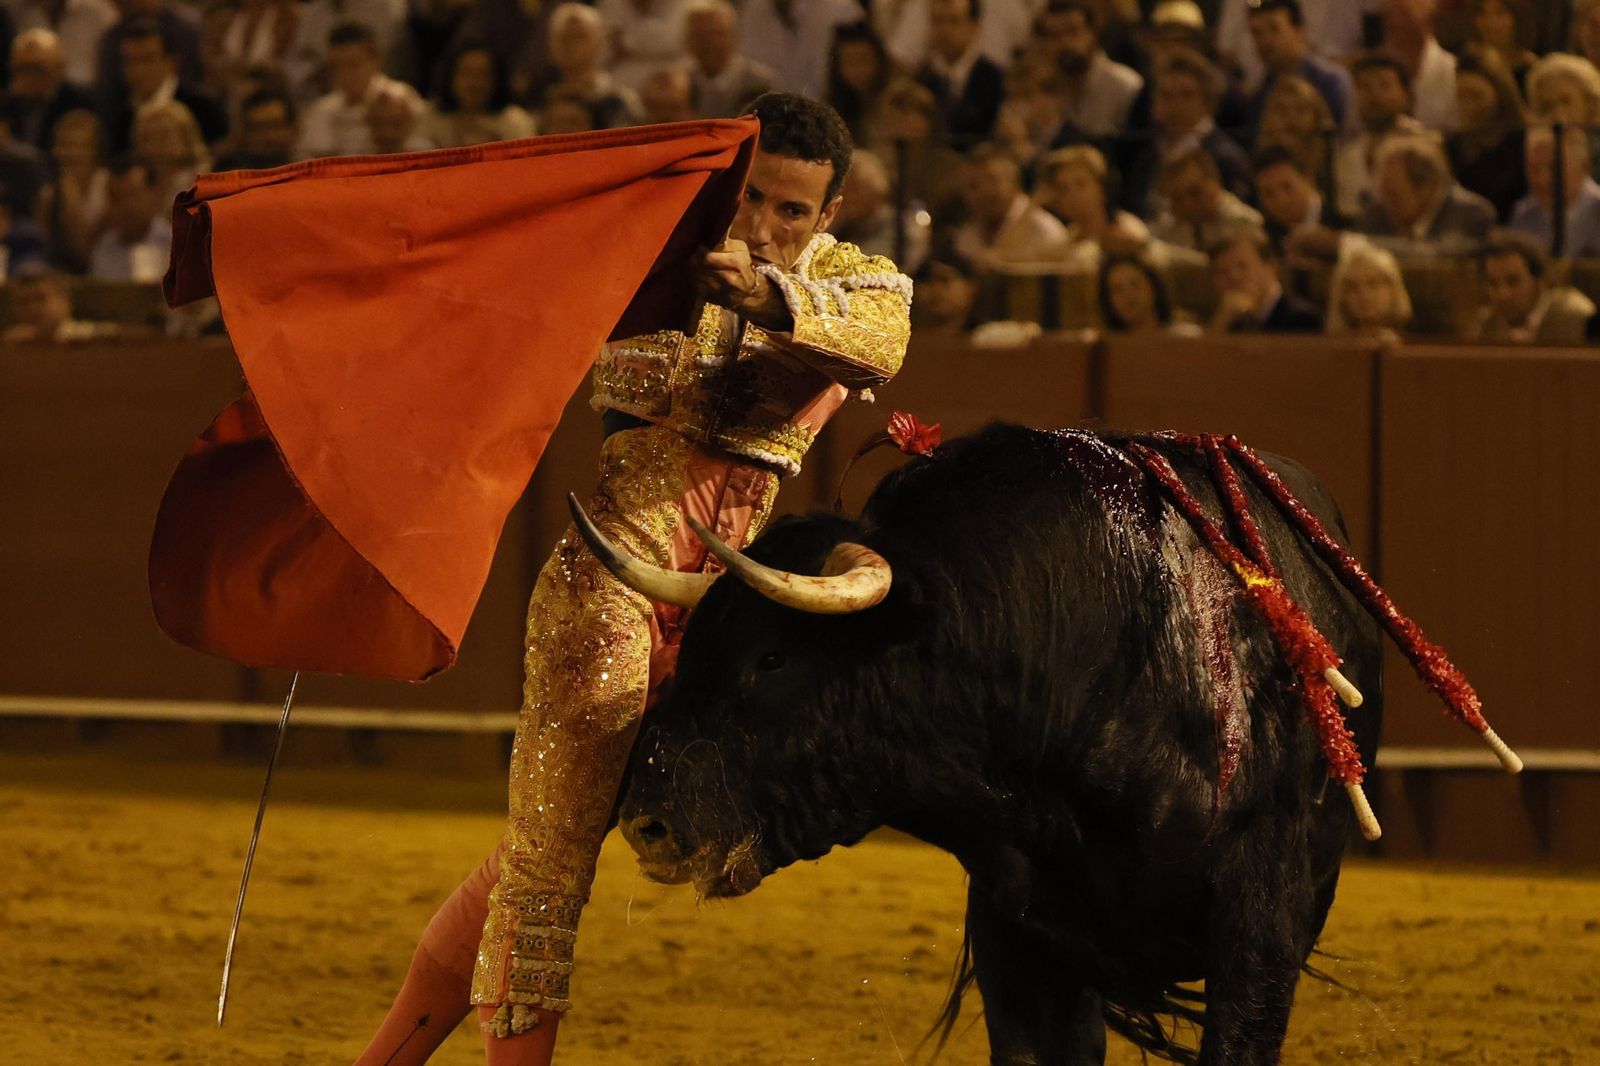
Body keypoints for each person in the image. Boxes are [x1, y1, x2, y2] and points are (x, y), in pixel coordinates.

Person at [353, 92, 912, 1066]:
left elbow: (880, 344)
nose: (765, 227)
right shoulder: (642, 248)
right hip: (607, 585)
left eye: (792, 211)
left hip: (729, 616)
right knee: (550, 864)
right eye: (751, 200)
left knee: (541, 845)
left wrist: (765, 297)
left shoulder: (855, 283)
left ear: (829, 217)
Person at [1355, 133, 1496, 256]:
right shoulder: (1375, 215)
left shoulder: (1472, 215)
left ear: (1428, 187)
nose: (1385, 204)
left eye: (1394, 196)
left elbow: (1440, 254)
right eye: (1383, 194)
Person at [1333, 52, 1434, 220]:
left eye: (1384, 85)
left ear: (1406, 95)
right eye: (1364, 87)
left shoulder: (1428, 145)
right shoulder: (1347, 154)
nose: (1374, 94)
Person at [949, 141, 1070, 269]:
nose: (984, 192)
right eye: (973, 185)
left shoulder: (1044, 231)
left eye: (992, 180)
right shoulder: (966, 236)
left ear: (1013, 180)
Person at [1242, 0, 1352, 139]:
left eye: (1274, 28)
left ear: (1299, 31)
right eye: (1256, 32)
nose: (1265, 40)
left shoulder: (1330, 82)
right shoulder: (1260, 95)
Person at [525, 3, 643, 130]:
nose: (570, 44)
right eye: (563, 37)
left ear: (600, 44)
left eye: (579, 36)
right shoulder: (535, 97)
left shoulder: (619, 102)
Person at [1036, 0, 1142, 140]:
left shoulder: (1126, 86)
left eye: (1072, 32)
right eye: (1054, 36)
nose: (1064, 43)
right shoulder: (1042, 87)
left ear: (1093, 33)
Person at [296, 21, 404, 158]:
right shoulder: (320, 111)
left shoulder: (402, 101)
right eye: (336, 66)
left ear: (376, 60)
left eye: (353, 64)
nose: (345, 74)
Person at [1447, 45, 1527, 221]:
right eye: (1461, 96)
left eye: (1476, 96)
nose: (1468, 105)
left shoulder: (1523, 142)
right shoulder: (1452, 145)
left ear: (1500, 93)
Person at [1474, 229, 1596, 343]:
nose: (1503, 294)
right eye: (1493, 283)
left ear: (1540, 281)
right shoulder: (1489, 323)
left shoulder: (1575, 319)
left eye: (1513, 282)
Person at [915, 0, 1005, 150]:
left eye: (953, 21)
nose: (944, 29)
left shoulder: (995, 79)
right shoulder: (925, 79)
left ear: (974, 27)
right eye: (937, 21)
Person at [1207, 225, 1322, 333]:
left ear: (1270, 267)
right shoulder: (1227, 317)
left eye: (1242, 266)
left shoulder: (1301, 317)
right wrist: (1221, 322)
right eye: (1221, 272)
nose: (1233, 277)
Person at [1509, 124, 1600, 259]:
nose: (1542, 179)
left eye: (1554, 168)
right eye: (1534, 169)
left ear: (1584, 167)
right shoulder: (1523, 214)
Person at [1150, 145, 1263, 254]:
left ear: (1216, 183)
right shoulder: (1171, 227)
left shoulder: (1244, 224)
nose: (1187, 205)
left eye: (1195, 193)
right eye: (1177, 199)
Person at [422, 45, 535, 149]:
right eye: (466, 73)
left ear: (497, 80)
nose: (474, 82)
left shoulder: (515, 121)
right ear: (450, 76)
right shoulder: (431, 117)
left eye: (483, 74)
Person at [4, 29, 97, 152]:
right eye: (22, 68)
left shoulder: (80, 104)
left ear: (59, 68)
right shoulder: (5, 107)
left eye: (37, 69)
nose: (29, 77)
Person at [1253, 144, 1343, 263]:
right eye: (1268, 193)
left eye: (1287, 187)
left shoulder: (1342, 215)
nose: (1281, 200)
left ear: (1309, 179)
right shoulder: (1265, 236)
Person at [684, 0, 774, 119]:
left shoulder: (759, 84)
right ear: (687, 39)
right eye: (700, 34)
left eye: (716, 33)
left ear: (734, 36)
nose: (709, 43)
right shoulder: (681, 86)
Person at [1378, 0, 1457, 132]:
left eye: (1404, 15)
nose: (1395, 22)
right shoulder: (1371, 75)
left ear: (1428, 17)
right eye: (1389, 15)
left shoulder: (1452, 71)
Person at [2, 265, 123, 340]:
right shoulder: (10, 346)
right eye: (23, 302)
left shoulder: (94, 338)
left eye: (39, 298)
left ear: (65, 302)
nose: (32, 307)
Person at [1325, 237, 1413, 337]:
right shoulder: (1329, 344)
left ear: (1393, 287)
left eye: (1373, 284)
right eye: (1353, 287)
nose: (1364, 295)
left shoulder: (1420, 339)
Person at [1097, 251, 1200, 334]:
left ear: (1153, 287)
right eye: (1117, 289)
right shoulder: (1104, 349)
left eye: (1135, 284)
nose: (1128, 294)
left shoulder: (1183, 337)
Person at [214, 87, 297, 170]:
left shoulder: (307, 172)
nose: (268, 136)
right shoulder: (227, 174)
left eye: (275, 126)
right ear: (245, 132)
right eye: (258, 128)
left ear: (293, 128)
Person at [912, 250, 980, 335]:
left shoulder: (990, 340)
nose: (935, 289)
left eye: (944, 280)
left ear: (970, 287)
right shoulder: (898, 340)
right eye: (926, 281)